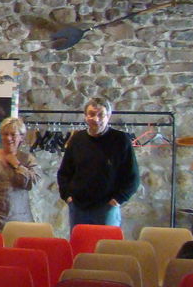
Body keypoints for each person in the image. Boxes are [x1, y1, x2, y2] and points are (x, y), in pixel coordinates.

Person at [57, 95, 140, 229]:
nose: (96, 119)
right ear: (85, 116)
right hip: (78, 207)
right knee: (79, 247)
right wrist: (67, 196)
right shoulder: (77, 139)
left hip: (107, 208)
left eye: (101, 115)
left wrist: (118, 200)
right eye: (91, 114)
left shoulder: (120, 140)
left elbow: (133, 177)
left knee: (107, 247)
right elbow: (64, 173)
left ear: (109, 116)